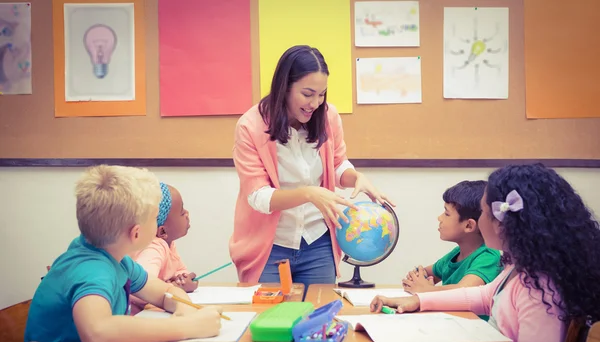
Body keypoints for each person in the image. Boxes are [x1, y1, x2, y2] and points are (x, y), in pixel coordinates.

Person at [370, 164, 600, 342]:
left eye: (483, 212)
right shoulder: (517, 268)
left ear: (504, 222)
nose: (480, 220)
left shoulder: (537, 289)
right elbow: (483, 296)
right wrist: (416, 301)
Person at [24, 165, 221, 342]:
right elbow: (97, 332)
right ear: (136, 234)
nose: (158, 225)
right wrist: (188, 328)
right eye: (155, 218)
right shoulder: (92, 271)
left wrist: (185, 310)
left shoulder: (115, 258)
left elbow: (164, 292)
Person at [230, 45, 393, 288]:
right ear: (285, 87)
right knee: (270, 318)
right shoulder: (250, 126)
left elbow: (337, 164)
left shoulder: (328, 117)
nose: (315, 103)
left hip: (318, 244)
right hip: (270, 248)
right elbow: (258, 197)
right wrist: (309, 194)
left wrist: (354, 176)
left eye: (322, 94)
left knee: (319, 318)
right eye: (307, 94)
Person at [402, 180, 501, 297]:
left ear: (469, 225)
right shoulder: (456, 254)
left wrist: (425, 290)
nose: (439, 218)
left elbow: (464, 291)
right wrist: (416, 278)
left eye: (447, 214)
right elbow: (425, 274)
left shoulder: (488, 257)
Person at [130, 182, 196, 314]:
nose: (187, 213)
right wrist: (175, 288)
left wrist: (183, 279)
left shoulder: (169, 244)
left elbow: (180, 270)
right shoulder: (155, 247)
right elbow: (139, 291)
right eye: (182, 212)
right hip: (134, 316)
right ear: (162, 232)